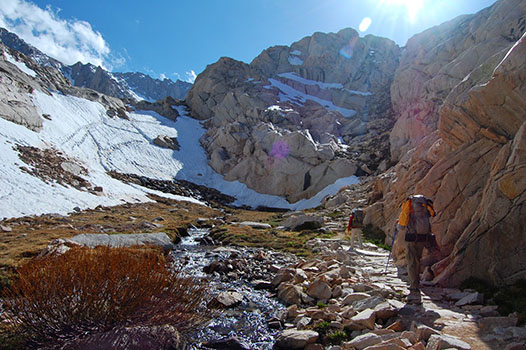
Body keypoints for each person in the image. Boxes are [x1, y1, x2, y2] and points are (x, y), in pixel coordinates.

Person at [398, 194, 440, 295]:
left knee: (412, 261)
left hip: (412, 237)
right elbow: (433, 214)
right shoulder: (425, 203)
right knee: (418, 258)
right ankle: (417, 282)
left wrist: (400, 226)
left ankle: (414, 285)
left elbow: (403, 221)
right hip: (424, 237)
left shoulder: (409, 203)